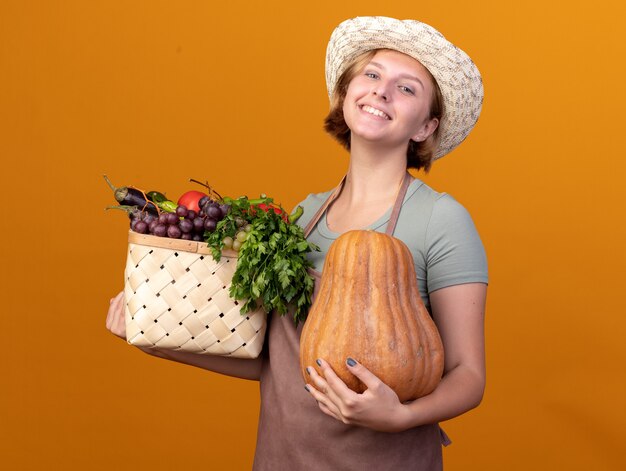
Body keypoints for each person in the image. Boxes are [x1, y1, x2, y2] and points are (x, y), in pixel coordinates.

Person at [106, 16, 488, 470]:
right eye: (372, 75)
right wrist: (156, 336)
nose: (382, 91)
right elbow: (271, 360)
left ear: (425, 127)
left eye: (407, 88)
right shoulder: (304, 217)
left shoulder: (441, 220)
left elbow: (469, 375)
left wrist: (401, 416)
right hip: (282, 457)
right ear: (347, 94)